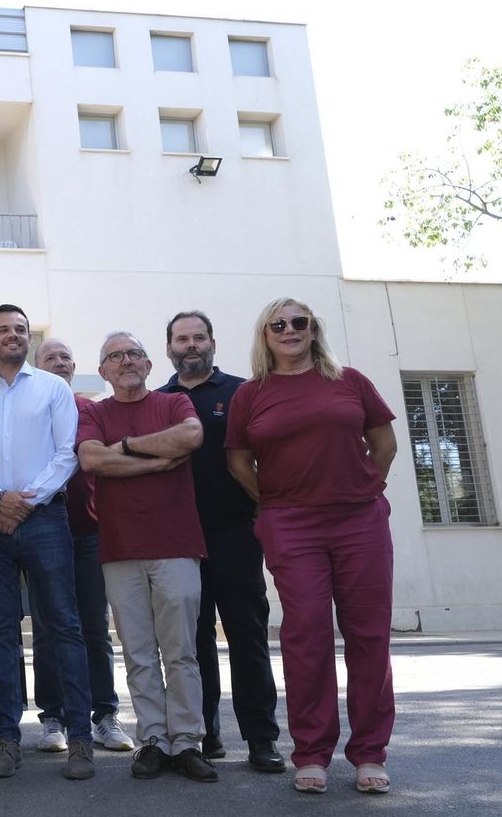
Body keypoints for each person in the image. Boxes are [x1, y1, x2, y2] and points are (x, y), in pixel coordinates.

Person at [225, 299, 398, 795]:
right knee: (306, 636)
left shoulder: (350, 380)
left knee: (368, 637)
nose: (289, 330)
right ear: (265, 335)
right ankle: (312, 753)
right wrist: (276, 503)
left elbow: (383, 445)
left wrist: (364, 490)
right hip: (291, 526)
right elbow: (239, 463)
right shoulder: (250, 394)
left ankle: (369, 753)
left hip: (359, 521)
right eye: (278, 324)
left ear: (313, 329)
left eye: (299, 322)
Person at [0, 305, 95, 782]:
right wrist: (0, 499)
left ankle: (80, 738)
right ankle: (8, 740)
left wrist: (26, 502)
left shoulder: (53, 388)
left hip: (46, 520)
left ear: (28, 338)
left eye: (20, 329)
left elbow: (67, 454)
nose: (13, 335)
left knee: (62, 625)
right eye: (4, 330)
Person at [77, 332, 217, 783]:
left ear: (149, 364)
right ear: (103, 370)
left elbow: (191, 436)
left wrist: (130, 446)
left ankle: (188, 742)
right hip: (120, 548)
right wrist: (157, 460)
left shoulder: (174, 403)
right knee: (137, 651)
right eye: (115, 356)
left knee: (181, 651)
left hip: (176, 544)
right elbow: (93, 460)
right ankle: (153, 740)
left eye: (134, 354)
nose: (126, 361)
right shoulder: (96, 413)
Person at [157, 312, 284, 774]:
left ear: (213, 341)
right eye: (181, 339)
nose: (190, 345)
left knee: (247, 637)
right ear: (169, 347)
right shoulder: (159, 400)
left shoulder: (243, 392)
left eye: (198, 337)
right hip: (176, 540)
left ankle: (261, 738)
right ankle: (203, 735)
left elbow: (267, 456)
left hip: (235, 533)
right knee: (191, 643)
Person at [33, 339, 135, 754]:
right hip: (42, 529)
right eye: (50, 358)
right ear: (36, 369)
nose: (59, 363)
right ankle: (53, 717)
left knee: (94, 625)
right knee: (46, 628)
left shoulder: (88, 409)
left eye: (65, 359)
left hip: (90, 530)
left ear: (75, 369)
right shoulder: (30, 409)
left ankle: (104, 715)